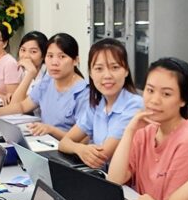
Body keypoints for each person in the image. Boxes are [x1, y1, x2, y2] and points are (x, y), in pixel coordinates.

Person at [107, 57, 188, 200]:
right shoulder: (145, 131)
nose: (154, 100)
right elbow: (114, 180)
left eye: (166, 94)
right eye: (150, 90)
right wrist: (129, 131)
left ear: (183, 100)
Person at [57, 38, 143, 169]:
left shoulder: (134, 105)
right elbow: (64, 143)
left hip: (128, 184)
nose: (107, 75)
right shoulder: (97, 105)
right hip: (102, 176)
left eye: (115, 67)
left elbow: (103, 155)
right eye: (99, 69)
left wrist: (81, 149)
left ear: (126, 71)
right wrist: (79, 148)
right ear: (90, 73)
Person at [0, 33, 88, 140]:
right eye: (50, 56)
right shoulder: (48, 81)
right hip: (44, 141)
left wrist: (51, 130)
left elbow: (83, 140)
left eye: (62, 57)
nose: (54, 62)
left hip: (65, 150)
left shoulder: (84, 93)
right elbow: (22, 106)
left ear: (75, 61)